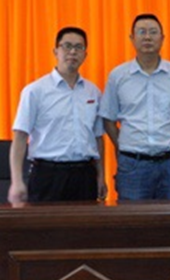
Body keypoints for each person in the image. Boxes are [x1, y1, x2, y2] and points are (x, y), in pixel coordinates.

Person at [8, 27, 107, 203]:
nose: (73, 52)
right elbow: (20, 137)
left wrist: (101, 176)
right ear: (55, 51)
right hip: (47, 175)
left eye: (79, 47)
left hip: (84, 175)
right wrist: (16, 182)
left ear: (85, 54)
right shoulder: (35, 91)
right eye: (67, 46)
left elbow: (98, 138)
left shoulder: (94, 92)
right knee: (45, 222)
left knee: (86, 222)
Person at [99, 14, 170, 200]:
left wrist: (169, 142)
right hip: (132, 165)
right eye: (142, 32)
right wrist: (123, 144)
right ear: (132, 38)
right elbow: (108, 119)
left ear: (162, 38)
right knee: (133, 217)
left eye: (153, 32)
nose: (147, 37)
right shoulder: (118, 75)